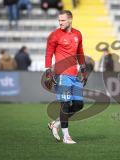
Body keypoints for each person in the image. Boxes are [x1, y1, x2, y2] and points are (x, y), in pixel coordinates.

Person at [45, 10, 87, 144]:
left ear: (70, 20)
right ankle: (66, 137)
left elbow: (80, 52)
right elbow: (48, 53)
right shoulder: (54, 35)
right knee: (65, 105)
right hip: (62, 74)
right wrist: (48, 71)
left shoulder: (78, 34)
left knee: (79, 105)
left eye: (62, 20)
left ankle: (55, 124)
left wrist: (84, 69)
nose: (60, 23)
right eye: (59, 20)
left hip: (75, 75)